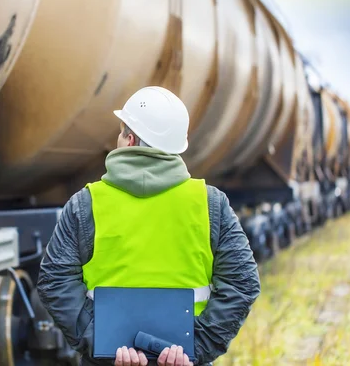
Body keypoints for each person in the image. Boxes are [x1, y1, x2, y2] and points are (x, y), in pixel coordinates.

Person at [36, 86, 261, 366]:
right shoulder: (210, 204)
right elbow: (243, 284)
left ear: (129, 140)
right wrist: (195, 347)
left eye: (121, 132)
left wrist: (102, 343)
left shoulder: (86, 204)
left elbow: (54, 281)